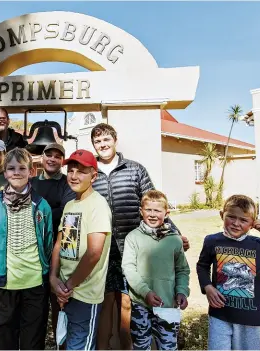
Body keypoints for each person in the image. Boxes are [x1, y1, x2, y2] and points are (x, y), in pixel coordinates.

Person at [90, 123, 190, 350]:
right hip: (102, 251)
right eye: (98, 142)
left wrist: (175, 233)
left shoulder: (135, 170)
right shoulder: (91, 172)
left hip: (131, 251)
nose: (103, 145)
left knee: (128, 305)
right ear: (94, 145)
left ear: (115, 140)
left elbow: (154, 204)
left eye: (106, 140)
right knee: (104, 306)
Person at [196, 194, 260, 350]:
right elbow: (202, 265)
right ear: (222, 215)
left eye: (243, 220)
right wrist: (207, 287)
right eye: (231, 217)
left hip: (252, 320)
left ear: (253, 223)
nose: (236, 223)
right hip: (220, 316)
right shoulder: (212, 241)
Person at [0, 147, 53, 350]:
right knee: (4, 338)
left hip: (34, 282)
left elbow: (47, 241)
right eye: (11, 168)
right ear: (4, 172)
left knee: (32, 339)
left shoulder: (41, 205)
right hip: (4, 283)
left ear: (31, 172)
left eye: (22, 168)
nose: (16, 172)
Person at [50, 149, 112, 350]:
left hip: (85, 295)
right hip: (65, 291)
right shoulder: (69, 205)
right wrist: (53, 277)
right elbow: (60, 243)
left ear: (94, 176)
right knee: (65, 344)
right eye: (70, 170)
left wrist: (68, 286)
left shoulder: (98, 205)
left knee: (79, 346)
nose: (74, 176)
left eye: (81, 171)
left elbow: (94, 253)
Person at [122, 190, 190, 351]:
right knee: (141, 345)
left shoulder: (174, 240)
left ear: (166, 213)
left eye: (157, 210)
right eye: (148, 210)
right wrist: (145, 292)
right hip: (141, 304)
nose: (152, 214)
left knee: (168, 346)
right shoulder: (132, 238)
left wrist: (182, 291)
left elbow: (182, 270)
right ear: (141, 211)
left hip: (168, 305)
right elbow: (128, 268)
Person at [30, 142, 76, 340]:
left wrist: (38, 212)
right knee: (35, 310)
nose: (52, 159)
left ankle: (61, 344)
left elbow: (67, 214)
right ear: (42, 157)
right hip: (33, 251)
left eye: (58, 156)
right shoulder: (31, 182)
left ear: (62, 161)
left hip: (60, 250)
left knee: (61, 307)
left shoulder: (67, 183)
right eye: (49, 154)